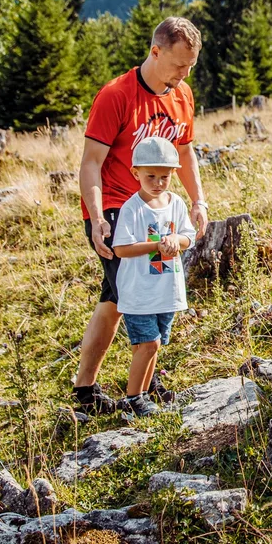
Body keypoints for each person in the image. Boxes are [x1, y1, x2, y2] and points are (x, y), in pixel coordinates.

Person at [74, 17, 208, 414]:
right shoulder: (116, 95)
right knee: (136, 295)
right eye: (178, 65)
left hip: (159, 209)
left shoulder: (181, 95)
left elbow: (184, 153)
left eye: (190, 67)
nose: (184, 75)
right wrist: (98, 218)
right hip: (117, 211)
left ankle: (88, 389)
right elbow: (90, 163)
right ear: (155, 51)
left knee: (116, 298)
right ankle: (138, 392)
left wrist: (197, 200)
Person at [112, 136, 197, 419]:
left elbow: (189, 236)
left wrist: (176, 239)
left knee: (156, 343)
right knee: (148, 344)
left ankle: (146, 391)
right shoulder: (132, 208)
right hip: (139, 292)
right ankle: (133, 398)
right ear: (135, 172)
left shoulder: (177, 204)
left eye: (165, 176)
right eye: (151, 176)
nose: (158, 182)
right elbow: (122, 248)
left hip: (166, 290)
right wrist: (157, 245)